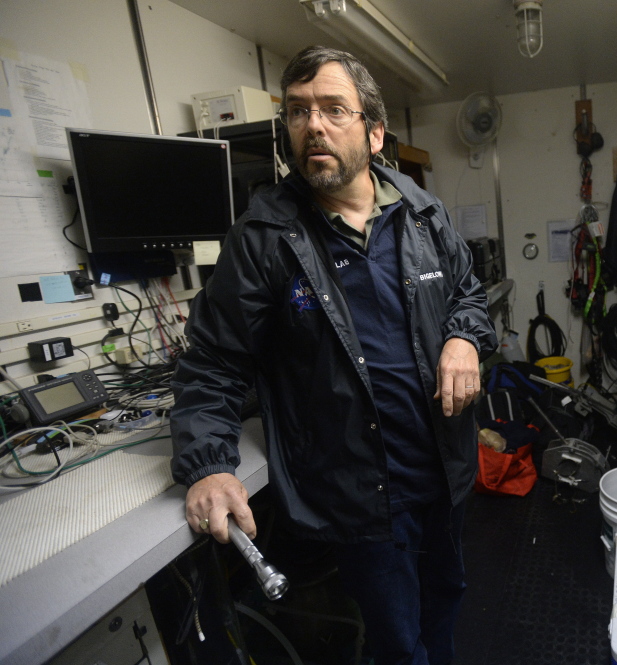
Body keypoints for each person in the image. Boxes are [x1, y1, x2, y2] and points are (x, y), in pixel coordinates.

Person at [170, 45, 497, 665]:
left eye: (332, 110)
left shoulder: (424, 214)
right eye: (297, 112)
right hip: (360, 494)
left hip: (443, 471)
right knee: (397, 639)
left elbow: (468, 295)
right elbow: (212, 362)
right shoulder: (264, 240)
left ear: (374, 134)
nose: (312, 125)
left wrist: (462, 337)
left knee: (445, 604)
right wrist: (210, 464)